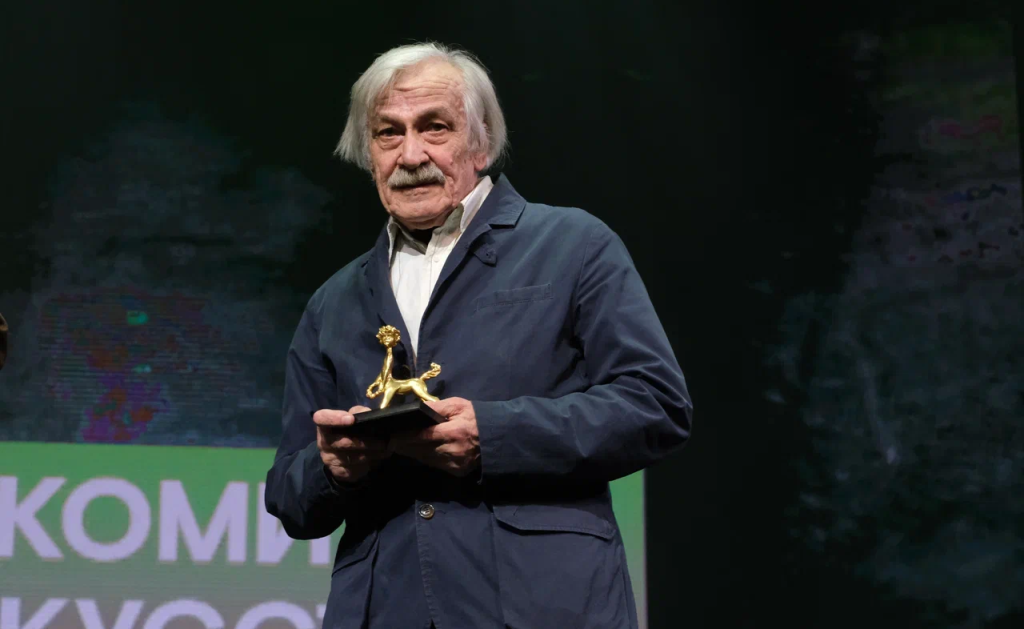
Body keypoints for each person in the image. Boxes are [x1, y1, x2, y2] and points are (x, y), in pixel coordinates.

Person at [264, 42, 692, 629]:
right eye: (388, 133)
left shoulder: (574, 245)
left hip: (545, 606)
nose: (411, 154)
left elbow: (656, 406)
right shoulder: (333, 301)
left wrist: (494, 434)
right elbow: (289, 497)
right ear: (368, 154)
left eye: (434, 127)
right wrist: (333, 467)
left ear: (482, 142)